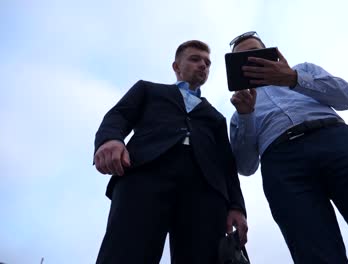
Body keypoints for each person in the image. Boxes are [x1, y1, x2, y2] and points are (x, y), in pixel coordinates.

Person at [228, 31, 348, 264]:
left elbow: (347, 97)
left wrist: (293, 78)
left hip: (335, 139)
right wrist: (246, 115)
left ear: (272, 54)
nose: (253, 60)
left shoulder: (303, 69)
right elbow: (246, 166)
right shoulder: (240, 110)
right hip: (282, 163)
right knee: (313, 252)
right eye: (243, 58)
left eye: (257, 52)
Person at [93, 40, 247, 264]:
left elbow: (226, 164)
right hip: (145, 175)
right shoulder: (147, 89)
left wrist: (237, 206)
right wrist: (110, 140)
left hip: (206, 189)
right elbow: (118, 115)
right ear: (176, 66)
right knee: (126, 252)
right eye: (195, 59)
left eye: (207, 62)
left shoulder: (215, 117)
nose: (203, 65)